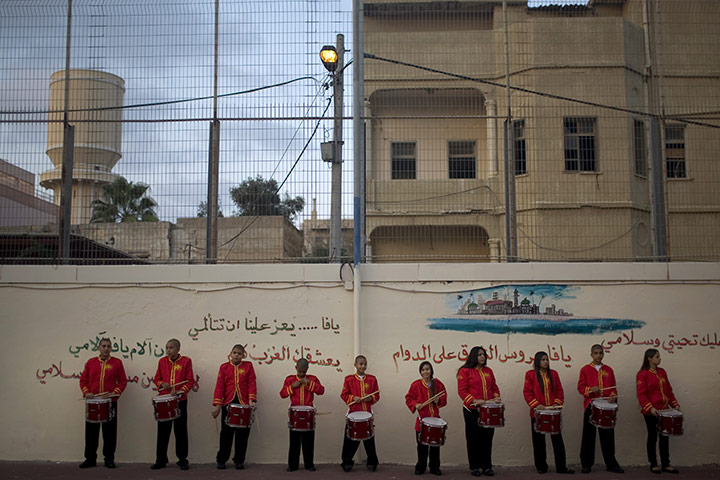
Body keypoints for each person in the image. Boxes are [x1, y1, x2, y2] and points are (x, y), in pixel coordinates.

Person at [78, 337, 127, 469]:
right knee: (91, 432)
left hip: (110, 402)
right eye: (103, 346)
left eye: (108, 346)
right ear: (98, 348)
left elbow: (123, 381)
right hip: (93, 402)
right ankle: (90, 459)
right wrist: (86, 392)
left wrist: (113, 393)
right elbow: (83, 381)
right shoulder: (91, 363)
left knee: (109, 432)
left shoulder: (117, 363)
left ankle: (109, 459)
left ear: (111, 348)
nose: (106, 348)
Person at [523, 351, 574, 474]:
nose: (546, 362)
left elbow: (559, 391)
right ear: (537, 361)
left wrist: (556, 404)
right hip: (538, 413)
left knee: (557, 440)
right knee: (538, 441)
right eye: (543, 359)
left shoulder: (554, 374)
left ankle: (561, 467)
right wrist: (536, 405)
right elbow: (527, 392)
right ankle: (541, 466)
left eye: (547, 359)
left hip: (552, 412)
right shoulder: (530, 375)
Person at [577, 344, 623, 474]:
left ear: (603, 354)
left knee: (608, 436)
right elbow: (580, 388)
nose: (598, 355)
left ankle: (611, 463)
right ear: (591, 354)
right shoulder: (585, 370)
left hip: (606, 407)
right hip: (591, 405)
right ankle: (586, 464)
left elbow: (613, 388)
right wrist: (590, 389)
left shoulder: (609, 370)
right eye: (596, 353)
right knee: (588, 436)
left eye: (600, 353)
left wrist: (613, 397)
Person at [457, 346, 501, 477]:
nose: (483, 357)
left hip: (487, 409)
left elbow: (494, 387)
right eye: (480, 354)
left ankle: (487, 466)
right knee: (473, 438)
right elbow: (462, 390)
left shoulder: (489, 371)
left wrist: (496, 396)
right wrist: (474, 400)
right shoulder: (465, 371)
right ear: (473, 356)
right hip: (471, 410)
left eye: (484, 355)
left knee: (487, 438)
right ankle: (474, 466)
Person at [151, 338, 195, 470]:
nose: (168, 350)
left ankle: (182, 459)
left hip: (180, 400)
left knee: (180, 430)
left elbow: (190, 381)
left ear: (178, 349)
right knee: (163, 431)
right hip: (164, 400)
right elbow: (156, 378)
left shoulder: (186, 361)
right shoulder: (162, 361)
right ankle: (161, 460)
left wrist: (181, 392)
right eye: (167, 348)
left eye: (171, 348)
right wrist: (161, 384)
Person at [211, 344, 257, 470]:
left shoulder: (248, 366)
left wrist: (252, 400)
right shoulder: (224, 368)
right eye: (234, 353)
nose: (236, 355)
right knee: (226, 434)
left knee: (242, 434)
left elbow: (252, 383)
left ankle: (239, 460)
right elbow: (220, 387)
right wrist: (218, 406)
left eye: (239, 353)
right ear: (230, 353)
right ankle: (221, 460)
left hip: (243, 404)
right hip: (228, 405)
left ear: (243, 355)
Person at [636, 348, 681, 474]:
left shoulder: (662, 372)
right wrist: (650, 408)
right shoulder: (642, 374)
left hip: (665, 410)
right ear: (649, 358)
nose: (659, 358)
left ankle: (666, 464)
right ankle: (653, 463)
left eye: (659, 356)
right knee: (652, 436)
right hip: (651, 411)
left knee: (664, 437)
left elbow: (668, 390)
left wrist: (675, 404)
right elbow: (642, 395)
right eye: (657, 356)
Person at [280, 357, 325, 472]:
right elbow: (282, 394)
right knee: (294, 441)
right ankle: (292, 465)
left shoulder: (313, 379)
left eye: (304, 372)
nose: (301, 374)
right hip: (295, 414)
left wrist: (310, 384)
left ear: (307, 369)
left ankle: (309, 464)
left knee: (308, 441)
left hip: (308, 414)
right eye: (299, 371)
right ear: (296, 368)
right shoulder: (289, 379)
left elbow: (321, 391)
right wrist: (292, 387)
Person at [406, 361, 447, 476]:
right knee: (421, 446)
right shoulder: (416, 385)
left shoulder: (438, 384)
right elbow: (408, 398)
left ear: (431, 370)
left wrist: (438, 400)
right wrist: (415, 404)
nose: (425, 372)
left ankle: (435, 467)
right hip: (421, 421)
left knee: (435, 446)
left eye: (427, 369)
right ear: (420, 372)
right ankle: (421, 466)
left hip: (435, 420)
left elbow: (444, 397)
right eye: (423, 370)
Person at [340, 355, 380, 472]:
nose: (363, 366)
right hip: (353, 413)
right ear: (355, 365)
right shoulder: (349, 379)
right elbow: (343, 395)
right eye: (360, 364)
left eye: (365, 364)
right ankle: (346, 462)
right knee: (350, 439)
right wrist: (353, 398)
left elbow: (376, 395)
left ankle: (372, 462)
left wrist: (370, 398)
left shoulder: (372, 379)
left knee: (369, 440)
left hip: (367, 413)